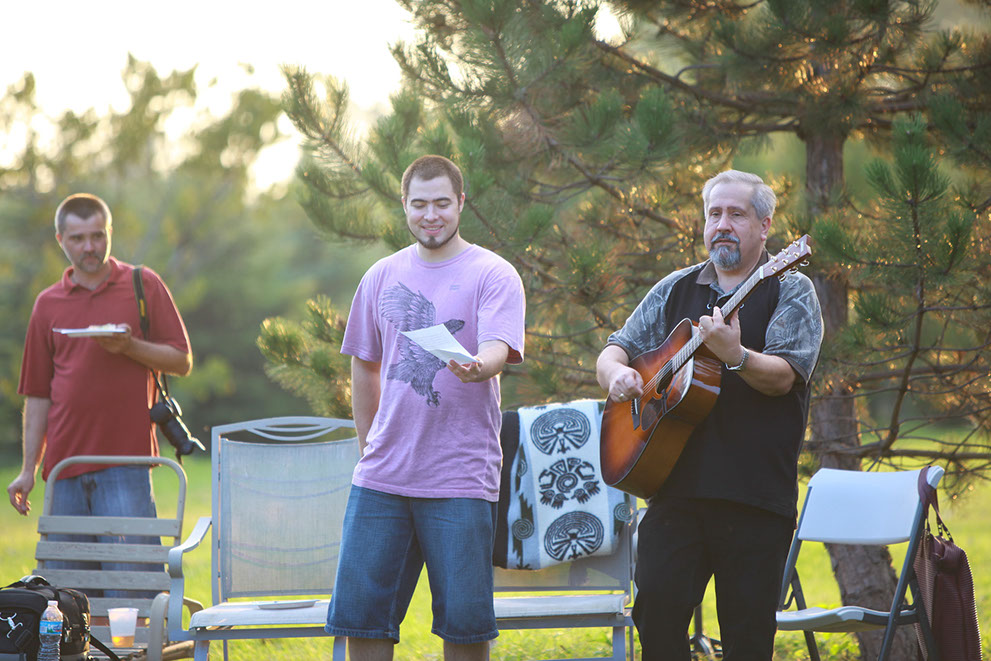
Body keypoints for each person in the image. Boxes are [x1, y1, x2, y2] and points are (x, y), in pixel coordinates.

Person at [596, 170, 823, 660]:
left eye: (736, 214)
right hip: (674, 493)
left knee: (746, 640)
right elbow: (615, 349)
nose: (723, 224)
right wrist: (616, 375)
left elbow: (785, 376)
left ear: (764, 226)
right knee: (655, 618)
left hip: (755, 497)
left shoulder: (789, 286)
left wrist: (735, 355)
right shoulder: (675, 287)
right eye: (714, 214)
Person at [325, 155, 526, 661]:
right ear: (404, 204)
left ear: (461, 203)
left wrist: (481, 366)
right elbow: (364, 365)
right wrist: (368, 447)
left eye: (441, 203)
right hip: (382, 478)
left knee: (465, 627)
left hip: (460, 476)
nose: (430, 215)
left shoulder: (492, 273)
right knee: (362, 620)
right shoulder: (381, 275)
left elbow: (497, 346)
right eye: (419, 204)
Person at [8, 193, 192, 570]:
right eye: (77, 239)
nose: (89, 247)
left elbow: (182, 361)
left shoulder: (143, 285)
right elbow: (38, 395)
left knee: (133, 585)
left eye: (97, 236)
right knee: (66, 593)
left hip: (126, 463)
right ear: (60, 240)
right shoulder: (47, 304)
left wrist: (129, 346)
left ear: (110, 232)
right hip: (64, 467)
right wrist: (29, 470)